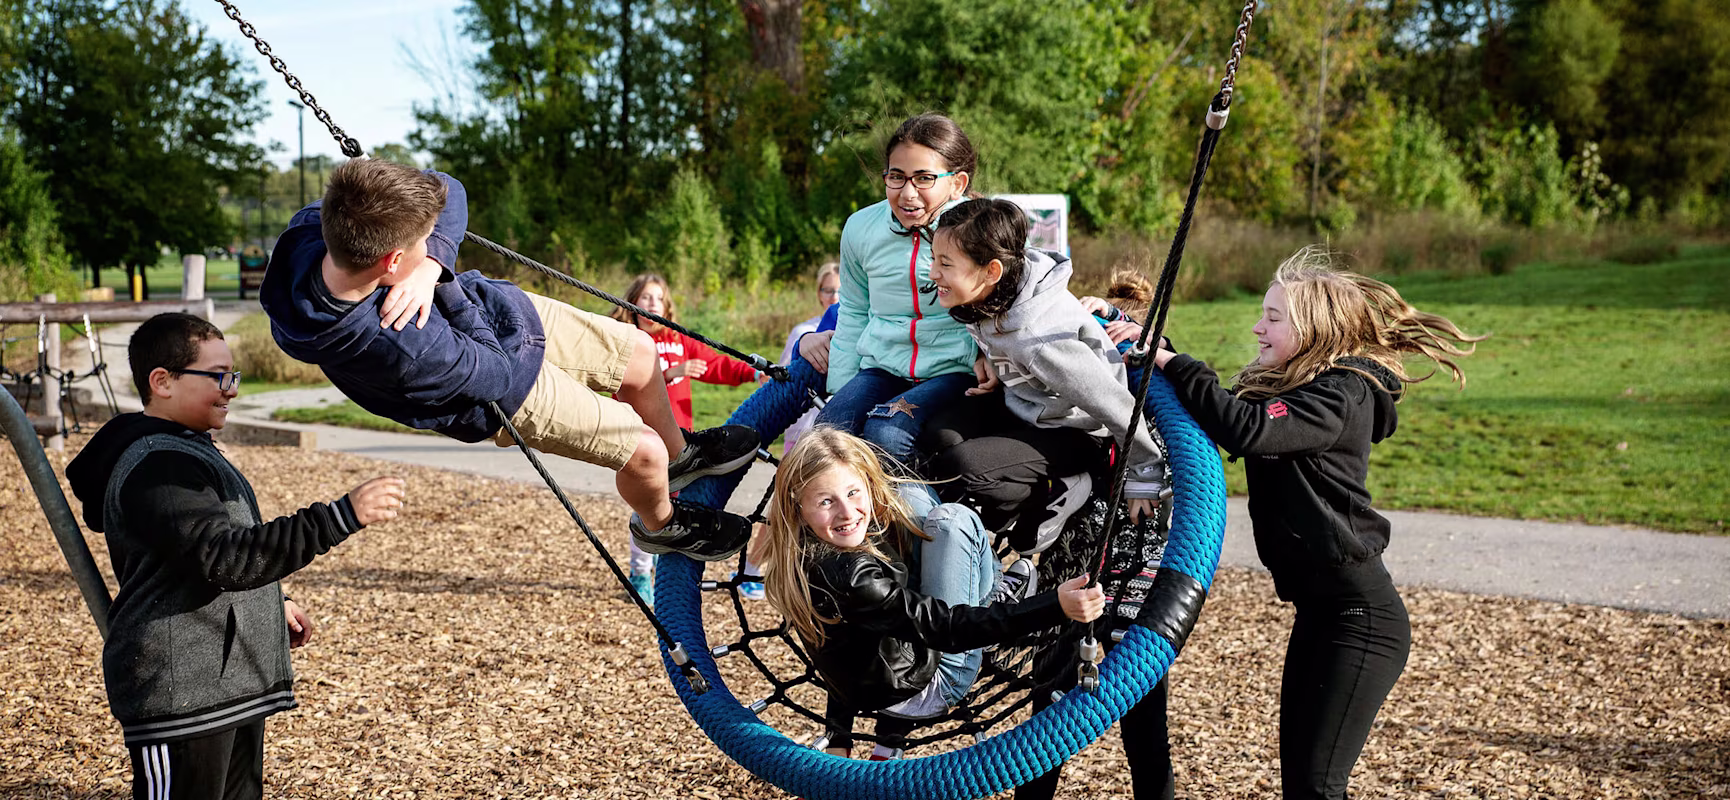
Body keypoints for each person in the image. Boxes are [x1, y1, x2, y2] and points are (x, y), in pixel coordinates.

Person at [261, 158, 758, 566]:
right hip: (501, 389)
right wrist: (445, 285)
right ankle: (661, 524)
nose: (433, 244)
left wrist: (431, 262)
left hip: (500, 313)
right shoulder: (401, 345)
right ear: (391, 262)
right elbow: (497, 373)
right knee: (641, 449)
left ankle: (682, 458)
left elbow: (448, 188)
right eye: (422, 243)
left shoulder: (319, 228)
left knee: (642, 354)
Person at [1152, 246, 1485, 800]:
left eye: (1273, 318)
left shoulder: (1341, 394)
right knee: (1304, 786)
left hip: (1361, 618)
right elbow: (1220, 414)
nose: (1258, 328)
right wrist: (1152, 351)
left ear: (1315, 328)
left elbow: (1247, 430)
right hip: (1323, 612)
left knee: (1318, 786)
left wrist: (1175, 363)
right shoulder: (1302, 391)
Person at [64, 312, 405, 798]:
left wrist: (272, 603)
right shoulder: (157, 467)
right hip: (181, 697)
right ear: (162, 381)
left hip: (225, 687)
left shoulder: (186, 450)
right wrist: (339, 517)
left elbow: (212, 548)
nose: (232, 389)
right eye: (218, 376)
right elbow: (224, 557)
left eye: (234, 375)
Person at [756, 427, 1107, 759]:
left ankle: (890, 736)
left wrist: (838, 735)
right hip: (931, 681)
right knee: (955, 520)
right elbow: (948, 629)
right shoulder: (854, 578)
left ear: (866, 483)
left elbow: (845, 650)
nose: (848, 512)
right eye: (826, 502)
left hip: (883, 674)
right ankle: (995, 594)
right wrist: (1053, 605)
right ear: (798, 506)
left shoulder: (802, 550)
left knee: (907, 495)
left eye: (852, 493)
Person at [920, 198, 1168, 556]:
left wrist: (1143, 473)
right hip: (1030, 408)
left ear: (991, 271)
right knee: (936, 437)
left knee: (963, 468)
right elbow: (995, 336)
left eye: (945, 264)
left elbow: (1112, 401)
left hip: (1077, 431)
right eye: (934, 259)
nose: (932, 273)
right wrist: (988, 360)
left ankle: (1063, 488)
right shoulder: (996, 289)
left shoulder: (1041, 338)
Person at [818, 114, 984, 468]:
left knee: (886, 432)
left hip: (952, 369)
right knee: (828, 436)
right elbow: (854, 311)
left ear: (958, 183)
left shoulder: (977, 229)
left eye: (924, 178)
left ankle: (926, 524)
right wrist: (841, 389)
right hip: (883, 366)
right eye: (896, 177)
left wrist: (991, 358)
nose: (908, 193)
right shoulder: (860, 228)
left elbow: (1003, 304)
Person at [609, 272, 767, 603]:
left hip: (678, 445)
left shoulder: (677, 340)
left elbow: (715, 365)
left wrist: (753, 372)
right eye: (645, 298)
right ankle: (640, 574)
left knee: (678, 509)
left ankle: (672, 574)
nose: (652, 304)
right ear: (632, 302)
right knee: (648, 504)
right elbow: (619, 388)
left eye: (658, 298)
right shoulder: (625, 339)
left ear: (667, 306)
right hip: (639, 440)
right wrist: (669, 375)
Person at [778, 261, 842, 456]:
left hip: (838, 433)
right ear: (819, 293)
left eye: (840, 290)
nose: (834, 297)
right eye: (828, 290)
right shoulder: (802, 332)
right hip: (801, 433)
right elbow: (782, 378)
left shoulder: (859, 331)